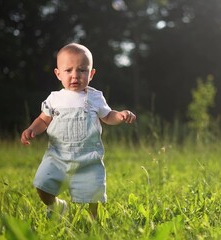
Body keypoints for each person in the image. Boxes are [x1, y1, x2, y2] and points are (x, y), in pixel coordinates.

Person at [20, 42, 136, 219]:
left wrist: (120, 115)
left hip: (88, 157)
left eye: (82, 70)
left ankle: (94, 222)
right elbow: (43, 120)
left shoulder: (95, 97)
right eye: (68, 71)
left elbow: (107, 116)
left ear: (91, 74)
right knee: (42, 185)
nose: (75, 76)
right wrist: (32, 129)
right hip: (57, 155)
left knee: (93, 194)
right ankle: (56, 206)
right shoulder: (55, 98)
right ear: (58, 74)